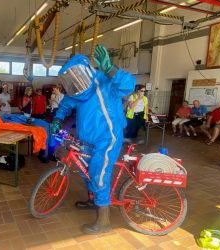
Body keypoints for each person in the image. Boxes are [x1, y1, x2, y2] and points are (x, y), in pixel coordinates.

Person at [50, 46, 135, 235]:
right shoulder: (78, 92)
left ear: (87, 71)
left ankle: (104, 221)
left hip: (108, 139)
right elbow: (65, 104)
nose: (75, 83)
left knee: (98, 175)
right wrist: (57, 118)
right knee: (86, 172)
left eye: (77, 77)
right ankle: (93, 199)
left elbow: (129, 84)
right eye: (71, 79)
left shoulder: (106, 82)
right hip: (86, 140)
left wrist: (110, 68)